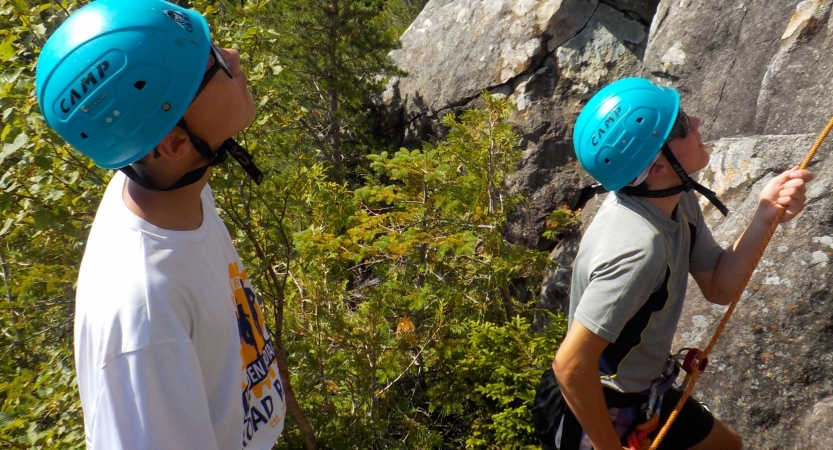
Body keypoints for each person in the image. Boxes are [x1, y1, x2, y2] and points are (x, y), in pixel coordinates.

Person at [35, 0, 285, 448]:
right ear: (174, 143)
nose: (233, 57)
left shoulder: (174, 187)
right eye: (211, 63)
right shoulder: (143, 315)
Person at [531, 77, 813, 450]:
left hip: (639, 393)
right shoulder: (639, 250)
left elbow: (718, 285)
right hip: (593, 410)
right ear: (659, 167)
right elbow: (570, 365)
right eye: (680, 125)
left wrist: (765, 216)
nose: (695, 122)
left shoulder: (676, 199)